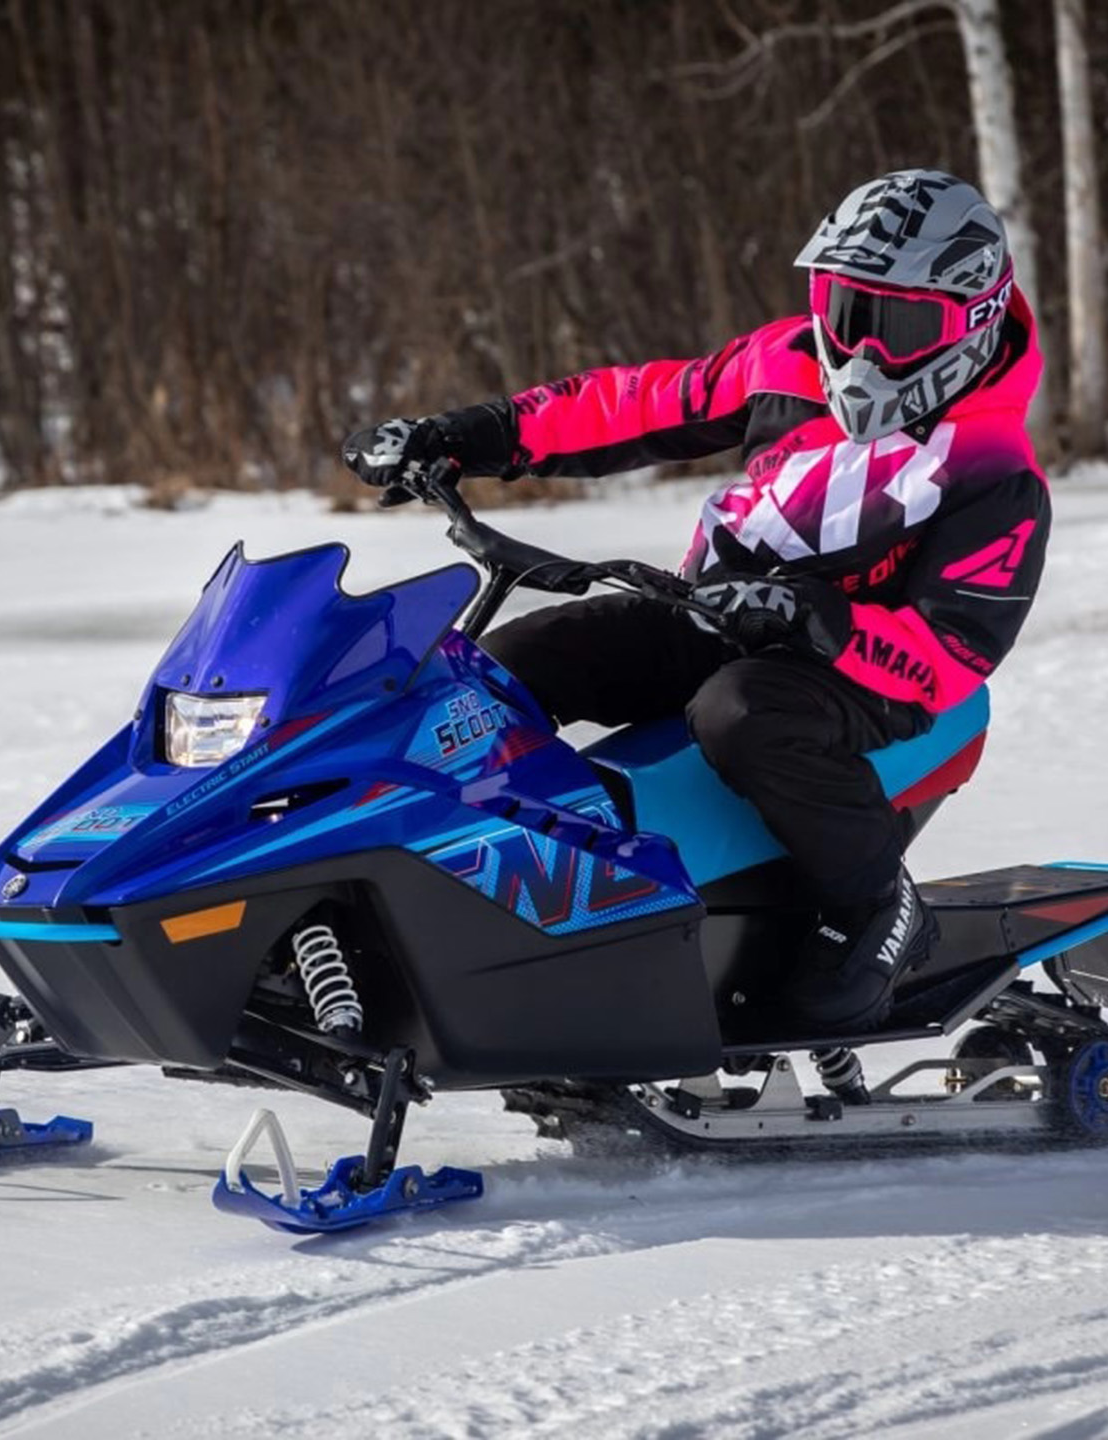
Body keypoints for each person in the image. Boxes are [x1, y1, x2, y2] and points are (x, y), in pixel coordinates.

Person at [341, 169, 1049, 1037]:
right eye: (845, 309)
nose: (861, 351)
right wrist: (469, 433)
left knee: (742, 711)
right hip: (718, 613)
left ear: (973, 322)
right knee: (507, 666)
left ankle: (874, 909)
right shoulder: (785, 362)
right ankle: (460, 890)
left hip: (862, 678)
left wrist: (819, 620)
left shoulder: (996, 472)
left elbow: (955, 655)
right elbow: (632, 404)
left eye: (897, 324)